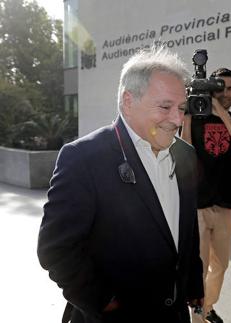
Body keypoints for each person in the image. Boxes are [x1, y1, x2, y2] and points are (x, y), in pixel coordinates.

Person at [37, 46, 204, 323]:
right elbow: (55, 249)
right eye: (165, 106)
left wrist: (194, 283)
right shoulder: (83, 158)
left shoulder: (186, 155)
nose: (177, 119)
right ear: (129, 101)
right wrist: (105, 303)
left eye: (181, 108)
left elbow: (187, 232)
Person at [182, 68, 231, 323]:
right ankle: (198, 317)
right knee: (198, 268)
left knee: (220, 266)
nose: (225, 92)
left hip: (223, 204)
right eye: (220, 87)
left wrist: (221, 113)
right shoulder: (193, 118)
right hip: (197, 206)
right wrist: (189, 116)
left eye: (230, 88)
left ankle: (208, 305)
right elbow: (184, 154)